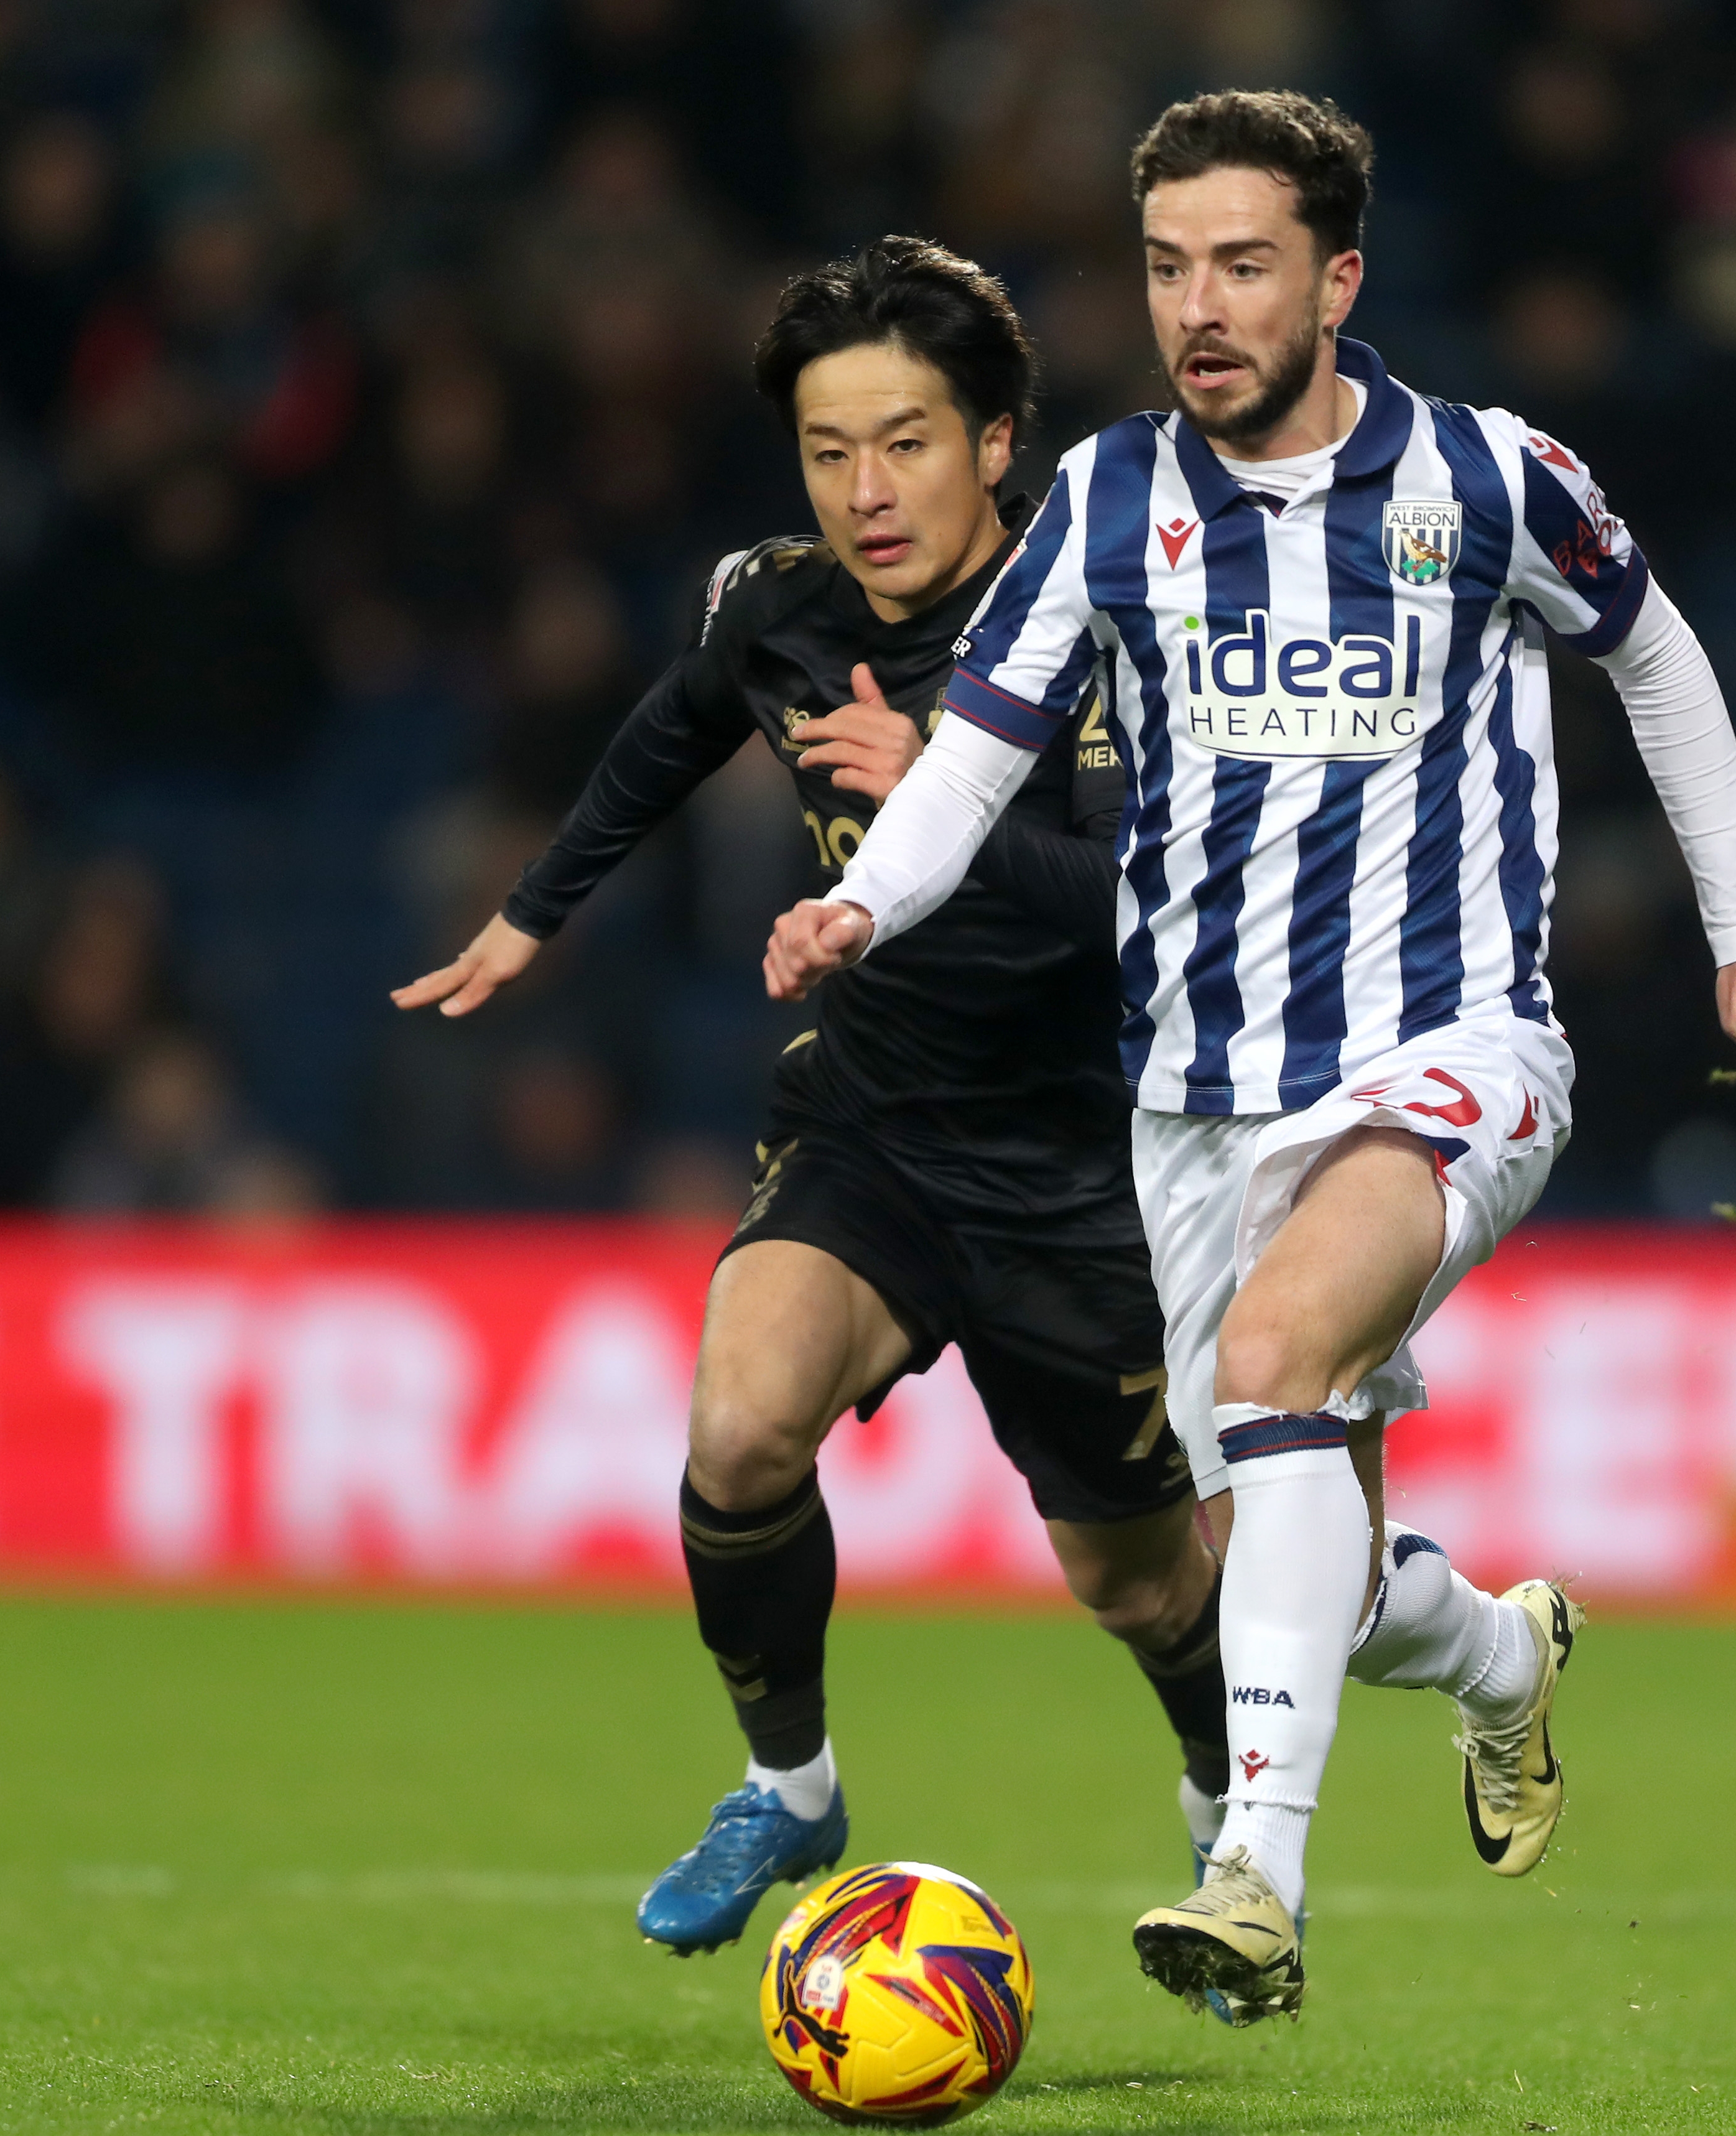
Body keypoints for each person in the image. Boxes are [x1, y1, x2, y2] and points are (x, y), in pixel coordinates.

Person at [764, 93, 1736, 2020]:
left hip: (1449, 1049)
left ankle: (1252, 1875)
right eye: (1166, 266)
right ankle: (1497, 1654)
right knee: (1279, 1560)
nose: (1199, 305)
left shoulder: (1486, 481)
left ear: (1335, 277)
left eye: (1241, 263)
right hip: (1193, 1094)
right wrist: (864, 906)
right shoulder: (1101, 499)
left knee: (1272, 1367)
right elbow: (980, 748)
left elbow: (1654, 659)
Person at [394, 238, 1229, 1957]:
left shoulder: (1111, 624)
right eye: (828, 450)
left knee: (1138, 1584)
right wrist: (532, 914)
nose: (866, 491)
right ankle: (789, 1788)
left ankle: (1230, 1814)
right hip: (870, 1126)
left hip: (1086, 1170)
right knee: (739, 1424)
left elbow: (1151, 899)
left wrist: (943, 793)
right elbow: (668, 732)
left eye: (906, 441)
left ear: (997, 442)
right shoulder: (779, 607)